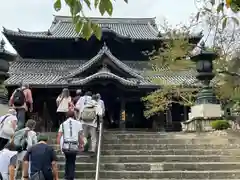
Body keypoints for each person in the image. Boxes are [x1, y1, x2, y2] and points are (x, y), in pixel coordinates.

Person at [57, 111, 83, 180]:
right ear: (74, 116)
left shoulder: (62, 124)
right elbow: (80, 135)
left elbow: (59, 136)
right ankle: (71, 176)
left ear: (66, 116)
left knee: (67, 160)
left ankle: (66, 176)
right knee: (72, 161)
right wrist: (81, 144)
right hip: (74, 145)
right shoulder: (78, 123)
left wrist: (59, 145)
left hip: (66, 145)